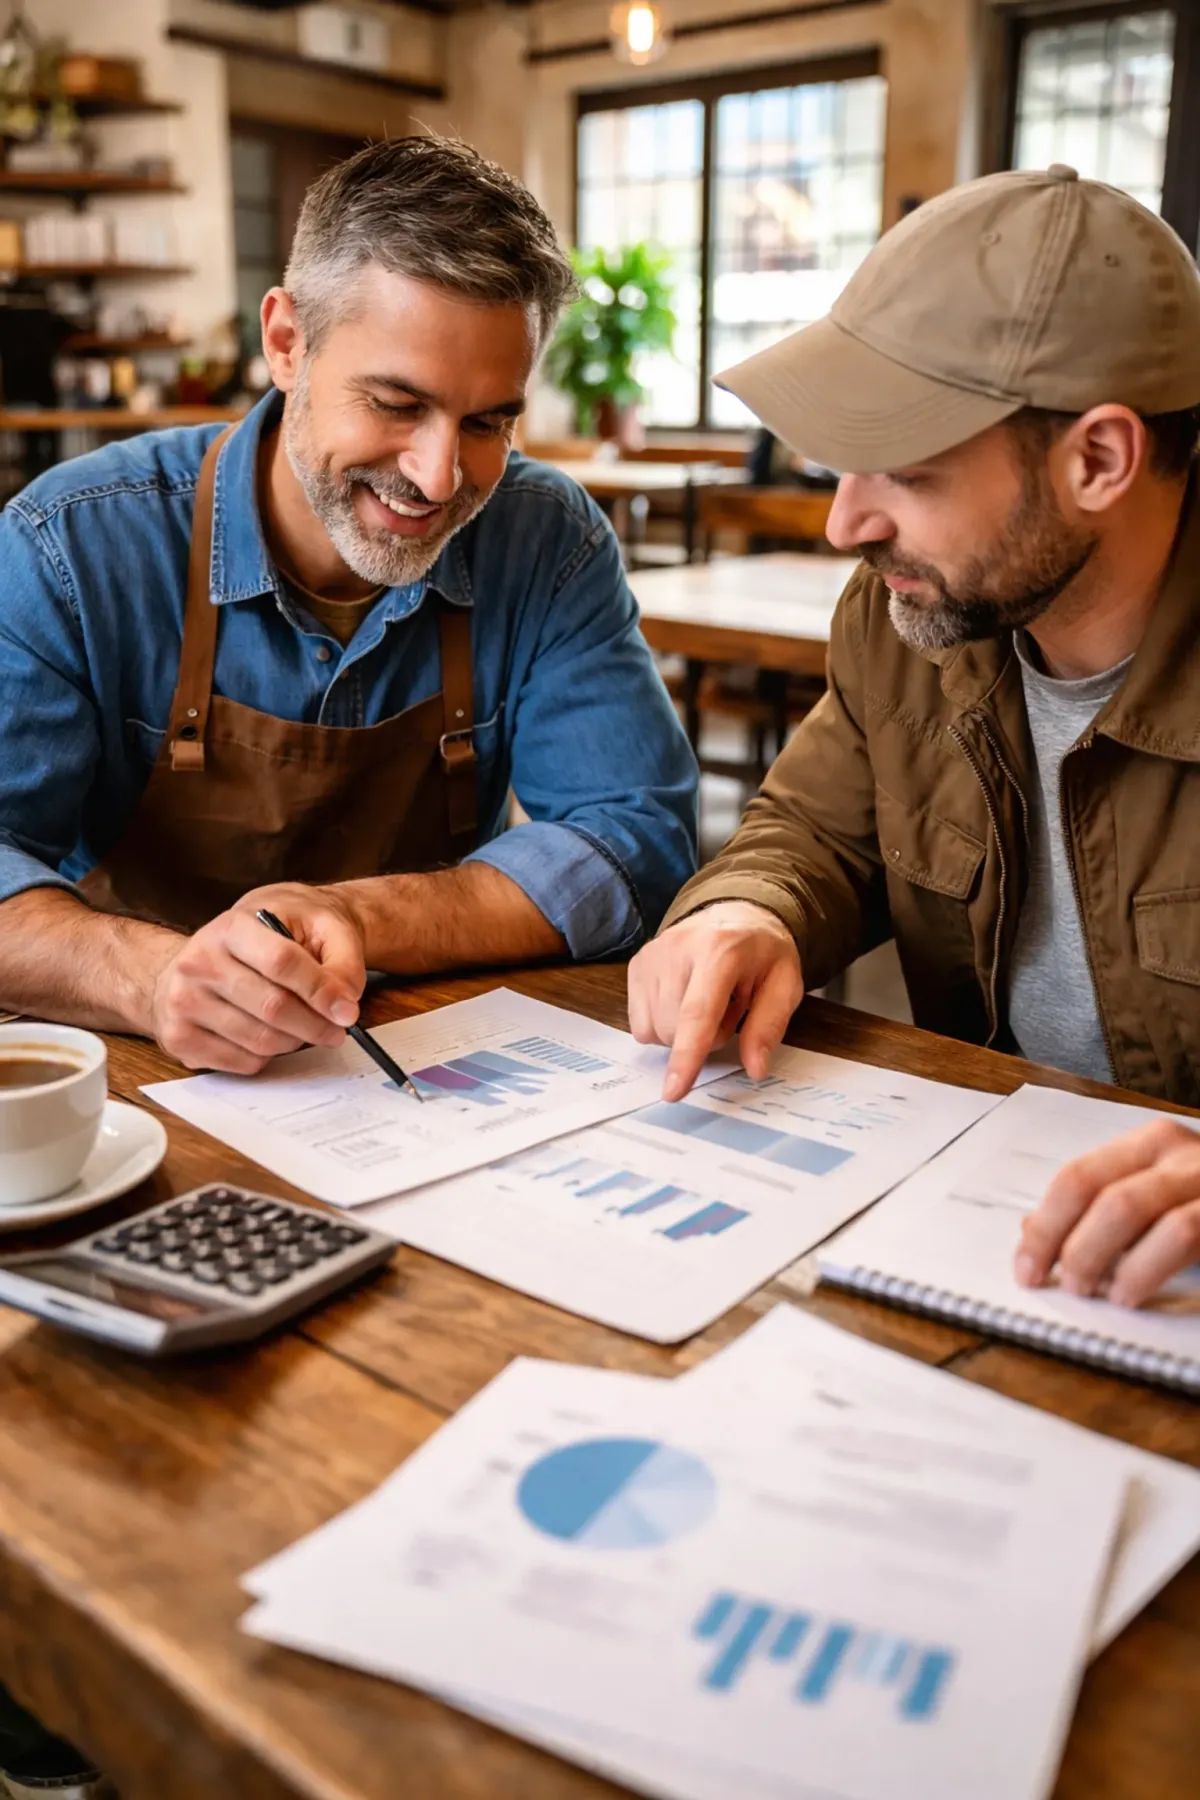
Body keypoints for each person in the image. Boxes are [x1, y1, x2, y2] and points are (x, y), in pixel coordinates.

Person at [629, 165, 1200, 1311]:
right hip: (979, 1242)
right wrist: (751, 912)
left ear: (1099, 459)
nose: (848, 521)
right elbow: (813, 828)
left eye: (909, 468)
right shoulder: (911, 620)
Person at [0, 135, 697, 1074]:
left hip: (433, 1060)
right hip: (143, 1072)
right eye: (396, 403)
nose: (440, 476)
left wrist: (361, 917)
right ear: (286, 343)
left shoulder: (545, 541)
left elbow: (636, 840)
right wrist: (152, 977)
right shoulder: (74, 545)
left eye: (489, 420)